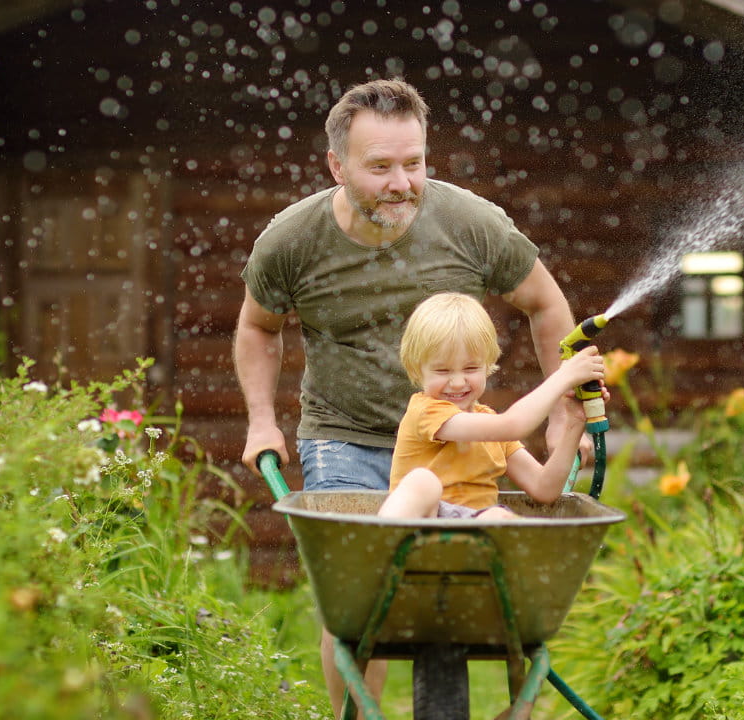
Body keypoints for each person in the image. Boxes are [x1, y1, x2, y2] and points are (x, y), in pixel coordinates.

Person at [233, 77, 586, 719]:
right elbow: (259, 326)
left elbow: (545, 304)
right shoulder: (292, 241)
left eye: (414, 163)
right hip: (344, 436)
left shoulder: (470, 224)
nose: (402, 182)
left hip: (453, 449)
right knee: (366, 601)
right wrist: (262, 419)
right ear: (336, 166)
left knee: (475, 589)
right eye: (380, 167)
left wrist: (569, 416)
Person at [378, 293, 604, 521]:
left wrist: (574, 422)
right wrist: (563, 376)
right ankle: (384, 538)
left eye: (470, 368)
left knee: (498, 516)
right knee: (422, 482)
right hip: (423, 524)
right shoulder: (426, 411)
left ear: (487, 364)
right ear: (417, 369)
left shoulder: (490, 428)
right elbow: (513, 425)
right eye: (443, 371)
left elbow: (544, 488)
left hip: (473, 534)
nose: (457, 382)